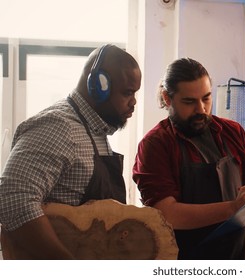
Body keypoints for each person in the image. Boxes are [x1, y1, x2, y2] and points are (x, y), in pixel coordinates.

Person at [0, 44, 142, 259]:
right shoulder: (59, 127)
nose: (134, 102)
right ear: (98, 86)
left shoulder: (95, 131)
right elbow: (12, 197)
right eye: (127, 93)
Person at [132, 57, 245, 260]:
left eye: (206, 98)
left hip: (238, 256)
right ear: (167, 98)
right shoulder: (156, 144)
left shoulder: (233, 132)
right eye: (189, 101)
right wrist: (234, 207)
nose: (201, 109)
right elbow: (166, 214)